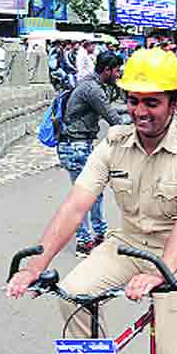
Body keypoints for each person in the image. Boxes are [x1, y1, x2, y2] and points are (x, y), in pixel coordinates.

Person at [6, 49, 177, 354]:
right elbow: (76, 205)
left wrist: (161, 273)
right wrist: (36, 266)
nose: (141, 111)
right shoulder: (113, 143)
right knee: (70, 293)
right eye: (134, 100)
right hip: (126, 244)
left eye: (152, 102)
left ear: (175, 102)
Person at [59, 52, 132, 257]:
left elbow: (111, 109)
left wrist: (133, 109)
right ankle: (83, 242)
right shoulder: (92, 89)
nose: (118, 74)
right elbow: (113, 118)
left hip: (80, 145)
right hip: (75, 146)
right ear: (107, 69)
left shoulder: (91, 84)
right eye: (117, 70)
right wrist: (139, 118)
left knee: (96, 191)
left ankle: (99, 234)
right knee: (83, 195)